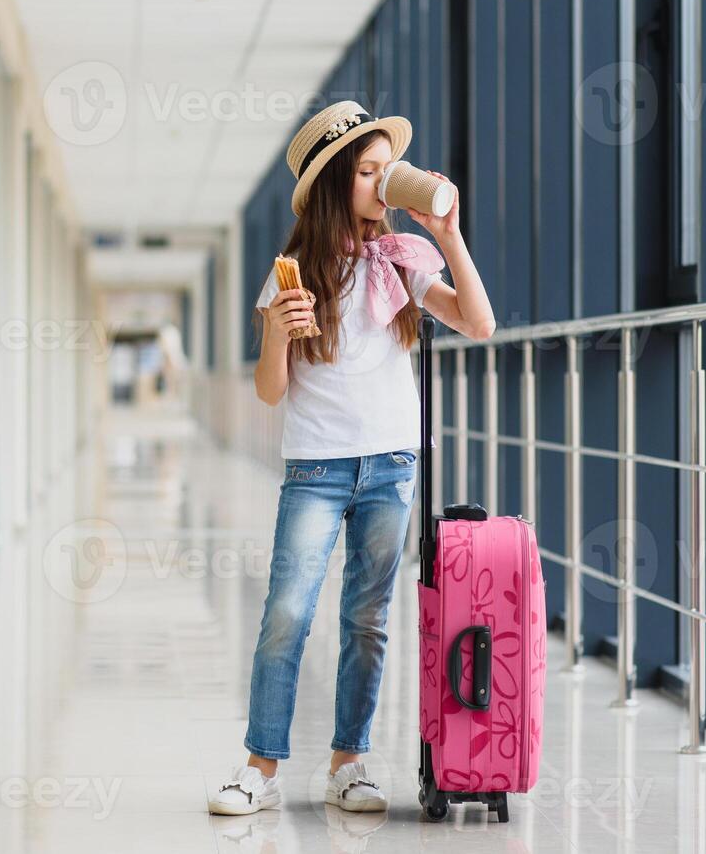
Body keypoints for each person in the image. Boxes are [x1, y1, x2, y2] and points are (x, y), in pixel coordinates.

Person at [208, 102, 495, 816]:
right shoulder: (291, 276)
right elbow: (271, 392)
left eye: (384, 170)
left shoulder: (401, 262)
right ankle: (259, 768)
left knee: (367, 619)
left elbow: (480, 323)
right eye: (369, 172)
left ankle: (349, 763)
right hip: (317, 469)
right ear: (338, 183)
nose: (382, 183)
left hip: (390, 466)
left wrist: (449, 237)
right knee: (286, 614)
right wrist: (276, 332)